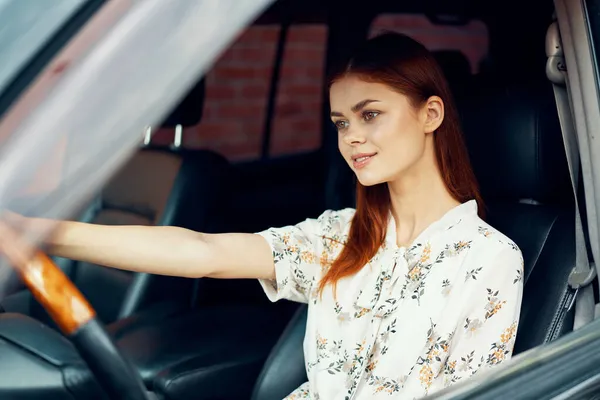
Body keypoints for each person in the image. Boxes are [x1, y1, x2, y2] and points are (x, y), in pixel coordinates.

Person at [6, 32, 523, 399]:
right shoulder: (341, 236)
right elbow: (203, 252)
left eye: (371, 114)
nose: (352, 138)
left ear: (430, 114)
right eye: (341, 123)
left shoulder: (491, 258)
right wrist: (39, 232)